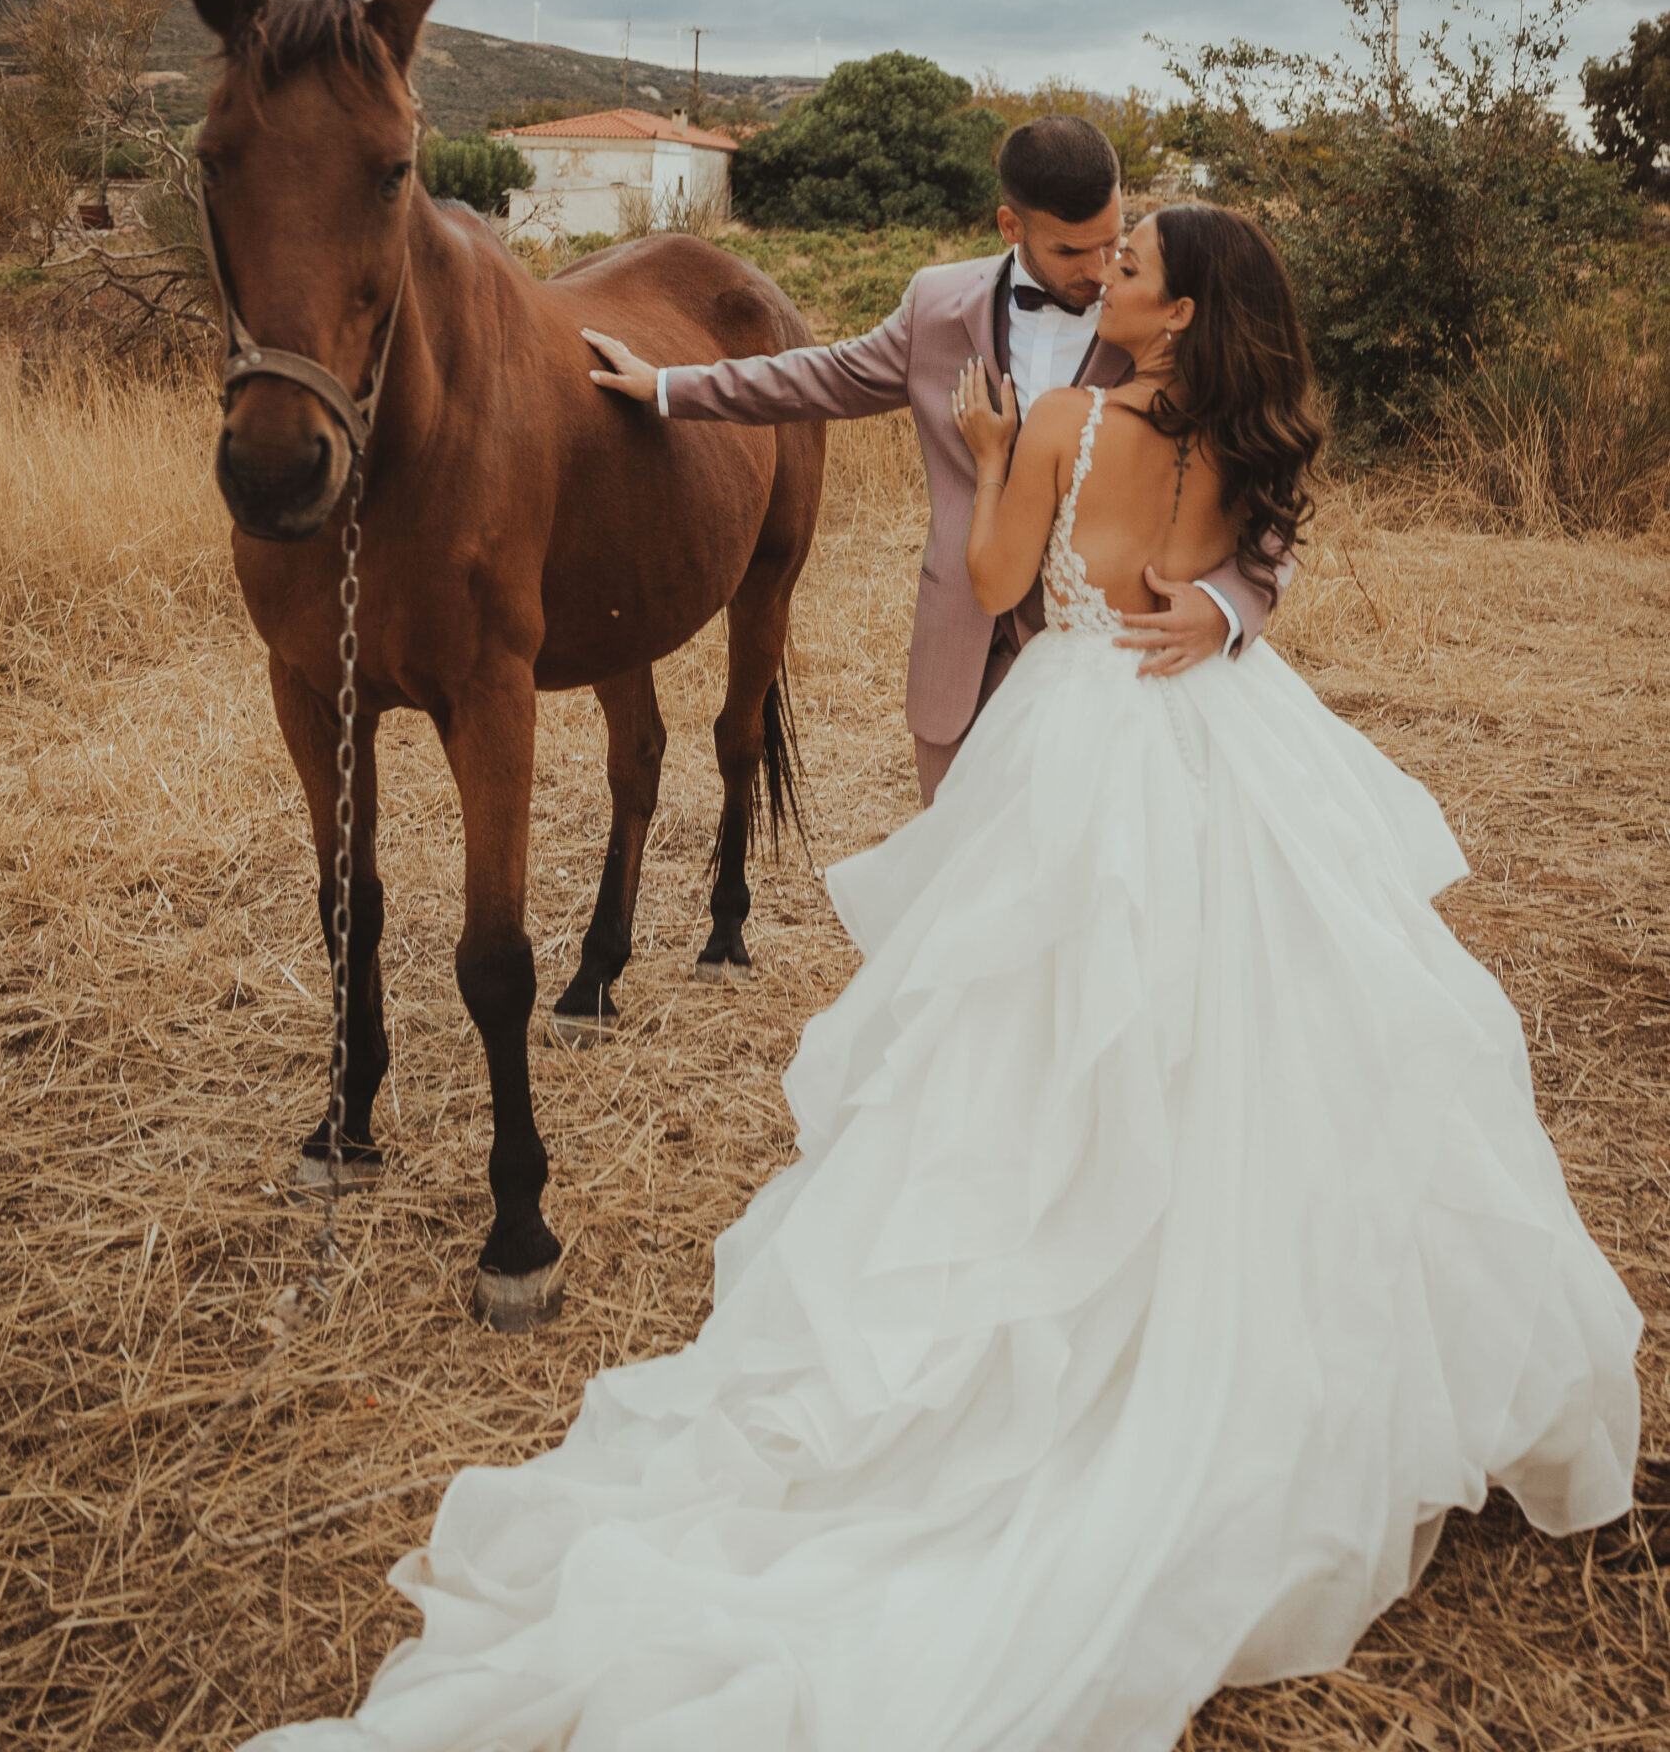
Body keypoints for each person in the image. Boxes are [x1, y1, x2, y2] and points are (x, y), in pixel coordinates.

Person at [249, 204, 1639, 1752]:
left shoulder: (1058, 424)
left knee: (1032, 1010)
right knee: (1268, 999)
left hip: (1085, 733)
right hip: (1223, 744)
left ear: (1175, 313)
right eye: (1093, 254)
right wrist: (1226, 601)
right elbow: (1253, 541)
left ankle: (1068, 1255)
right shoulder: (1241, 432)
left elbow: (993, 582)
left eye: (1127, 268)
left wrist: (993, 465)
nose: (1100, 279)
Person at [583, 115, 1286, 806]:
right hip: (961, 660)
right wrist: (667, 385)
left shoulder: (1154, 326)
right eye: (1073, 251)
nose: (1101, 271)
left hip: (1111, 675)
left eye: (1113, 242)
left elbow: (1271, 480)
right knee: (958, 866)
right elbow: (821, 376)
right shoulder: (937, 306)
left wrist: (1227, 606)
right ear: (1011, 227)